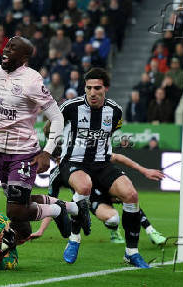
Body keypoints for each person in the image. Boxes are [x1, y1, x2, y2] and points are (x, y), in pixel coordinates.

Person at [0, 36, 76, 243]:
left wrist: (47, 151)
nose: (6, 50)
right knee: (20, 210)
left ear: (24, 58)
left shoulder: (32, 81)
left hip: (24, 152)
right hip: (1, 153)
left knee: (14, 210)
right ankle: (74, 207)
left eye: (13, 49)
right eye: (6, 46)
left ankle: (57, 211)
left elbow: (57, 117)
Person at [48, 67, 150, 268]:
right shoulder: (71, 106)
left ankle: (131, 252)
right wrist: (53, 150)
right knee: (84, 187)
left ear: (106, 88)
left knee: (131, 194)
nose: (92, 93)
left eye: (97, 88)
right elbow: (51, 125)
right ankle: (74, 239)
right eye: (88, 88)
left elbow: (110, 134)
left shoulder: (115, 111)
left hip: (102, 164)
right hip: (74, 162)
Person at [42, 153, 166, 255]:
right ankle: (114, 230)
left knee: (129, 196)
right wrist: (41, 230)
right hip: (93, 199)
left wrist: (143, 170)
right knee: (113, 219)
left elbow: (117, 157)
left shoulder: (88, 155)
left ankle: (151, 231)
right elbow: (52, 202)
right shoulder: (57, 174)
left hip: (107, 188)